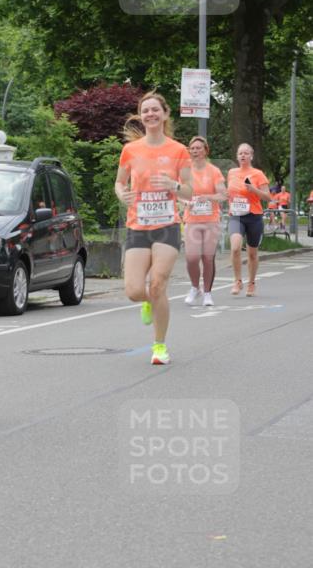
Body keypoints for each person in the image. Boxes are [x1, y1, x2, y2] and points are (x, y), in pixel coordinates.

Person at [114, 92, 193, 365]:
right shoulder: (131, 150)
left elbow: (190, 190)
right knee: (134, 290)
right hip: (138, 226)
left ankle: (159, 346)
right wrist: (121, 194)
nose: (150, 114)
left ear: (165, 114)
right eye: (145, 110)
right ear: (141, 115)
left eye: (155, 110)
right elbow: (119, 182)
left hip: (167, 225)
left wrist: (174, 186)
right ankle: (148, 300)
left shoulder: (178, 150)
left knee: (158, 283)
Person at [181, 136, 226, 307]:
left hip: (210, 220)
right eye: (192, 148)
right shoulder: (185, 171)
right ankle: (195, 288)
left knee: (208, 258)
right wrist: (187, 202)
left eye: (199, 148)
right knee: (192, 258)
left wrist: (207, 197)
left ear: (206, 150)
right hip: (192, 219)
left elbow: (223, 194)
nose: (195, 151)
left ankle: (208, 293)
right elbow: (179, 193)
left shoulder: (214, 171)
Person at [226, 143, 270, 297]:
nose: (243, 156)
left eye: (246, 153)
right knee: (235, 247)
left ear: (251, 156)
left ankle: (251, 283)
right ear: (237, 156)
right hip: (236, 216)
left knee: (252, 253)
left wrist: (253, 189)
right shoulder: (231, 172)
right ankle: (237, 281)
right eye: (240, 153)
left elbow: (267, 196)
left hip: (254, 216)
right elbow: (229, 192)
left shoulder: (258, 174)